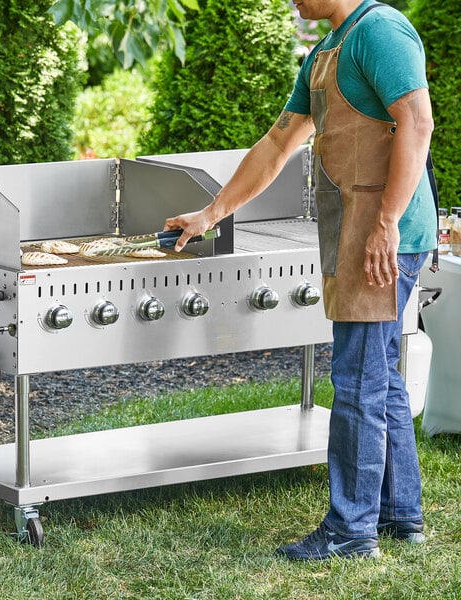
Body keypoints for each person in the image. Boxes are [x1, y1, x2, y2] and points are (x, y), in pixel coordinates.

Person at [164, 0, 436, 560]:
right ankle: (398, 514)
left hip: (384, 233)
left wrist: (386, 223)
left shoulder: (380, 32)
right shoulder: (324, 52)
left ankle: (350, 531)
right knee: (378, 373)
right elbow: (276, 145)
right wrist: (211, 213)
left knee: (357, 378)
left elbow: (417, 122)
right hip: (354, 229)